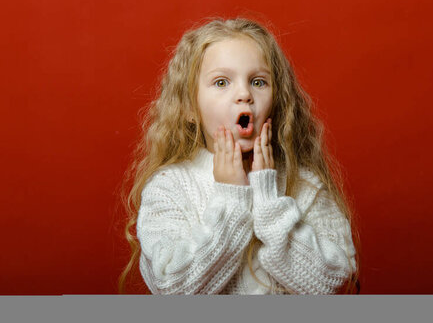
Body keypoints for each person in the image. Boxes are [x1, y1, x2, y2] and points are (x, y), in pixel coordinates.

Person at [118, 18, 360, 294]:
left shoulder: (305, 184)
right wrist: (231, 199)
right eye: (221, 82)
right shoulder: (169, 187)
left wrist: (269, 203)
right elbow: (174, 288)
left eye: (258, 82)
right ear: (188, 107)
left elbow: (333, 283)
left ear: (277, 102)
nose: (244, 94)